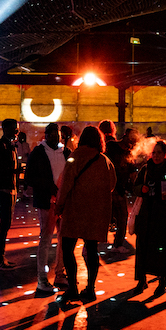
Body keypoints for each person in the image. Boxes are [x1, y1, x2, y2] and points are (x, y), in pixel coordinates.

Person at [51, 125, 116, 307]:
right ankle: (91, 288)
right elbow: (112, 184)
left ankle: (72, 288)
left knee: (68, 247)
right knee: (92, 249)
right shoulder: (104, 160)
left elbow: (66, 183)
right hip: (96, 212)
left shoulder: (75, 157)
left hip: (75, 210)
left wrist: (59, 205)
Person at [26, 122, 71, 294]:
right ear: (46, 135)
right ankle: (42, 279)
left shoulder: (65, 152)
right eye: (50, 133)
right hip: (47, 202)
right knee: (46, 239)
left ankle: (60, 274)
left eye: (56, 133)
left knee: (63, 238)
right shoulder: (38, 152)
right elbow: (30, 177)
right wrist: (49, 187)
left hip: (64, 202)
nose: (53, 135)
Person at [132, 140, 166, 296]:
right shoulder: (146, 169)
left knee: (162, 248)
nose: (156, 156)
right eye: (154, 152)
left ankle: (162, 281)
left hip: (163, 215)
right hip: (146, 214)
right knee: (143, 247)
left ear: (165, 154)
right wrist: (140, 189)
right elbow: (135, 187)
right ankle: (141, 280)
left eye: (160, 153)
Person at [0, 118, 22, 270]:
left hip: (11, 188)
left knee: (7, 223)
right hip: (4, 188)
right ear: (5, 129)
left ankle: (1, 257)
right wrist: (13, 172)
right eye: (14, 128)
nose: (16, 131)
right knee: (4, 223)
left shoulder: (12, 146)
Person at [100, 120, 135, 254]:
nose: (131, 144)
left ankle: (117, 243)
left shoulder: (128, 152)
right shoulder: (111, 146)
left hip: (119, 190)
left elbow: (131, 172)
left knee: (122, 217)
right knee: (107, 217)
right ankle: (94, 243)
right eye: (130, 140)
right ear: (125, 136)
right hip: (109, 189)